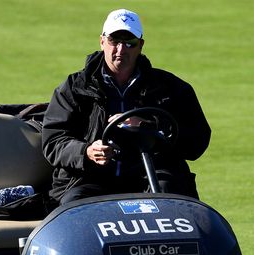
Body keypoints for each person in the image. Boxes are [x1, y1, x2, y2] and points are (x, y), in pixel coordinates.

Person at [42, 9, 211, 205]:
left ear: (140, 45)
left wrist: (150, 128)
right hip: (90, 178)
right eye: (114, 41)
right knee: (74, 205)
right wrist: (86, 151)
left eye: (129, 43)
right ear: (102, 41)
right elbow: (53, 140)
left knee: (172, 195)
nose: (121, 50)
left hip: (151, 174)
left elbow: (197, 142)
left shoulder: (172, 88)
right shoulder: (74, 87)